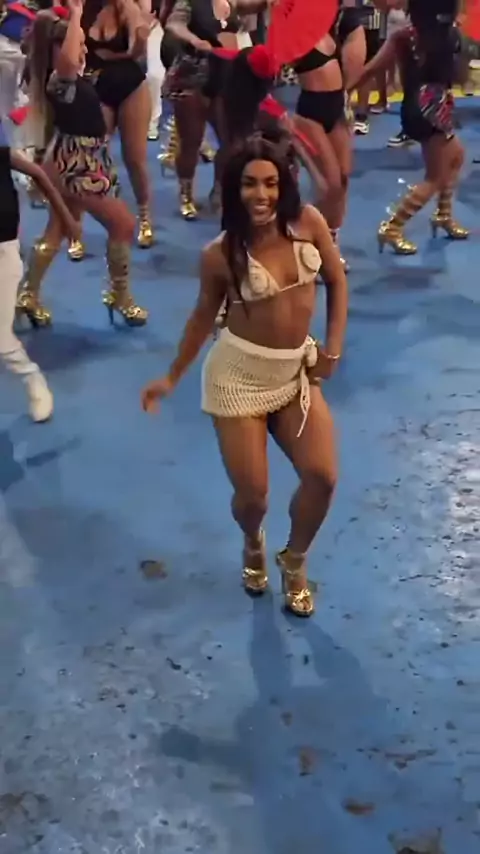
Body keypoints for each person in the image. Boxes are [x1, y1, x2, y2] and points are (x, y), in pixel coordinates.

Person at [141, 135, 348, 617]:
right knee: (253, 498)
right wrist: (171, 377)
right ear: (233, 189)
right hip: (238, 380)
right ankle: (253, 540)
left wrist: (333, 350)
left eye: (271, 183)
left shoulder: (309, 222)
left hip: (294, 374)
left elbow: (337, 281)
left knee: (322, 477)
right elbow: (201, 318)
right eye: (250, 183)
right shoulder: (219, 254)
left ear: (284, 185)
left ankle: (293, 560)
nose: (262, 194)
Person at [18, 1, 148, 328]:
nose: (84, 50)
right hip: (77, 164)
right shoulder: (59, 82)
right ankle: (119, 295)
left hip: (75, 159)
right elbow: (66, 63)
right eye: (77, 45)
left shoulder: (69, 80)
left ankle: (28, 294)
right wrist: (76, 15)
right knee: (123, 225)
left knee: (56, 230)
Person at [350, 0, 468, 254]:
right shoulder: (442, 34)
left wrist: (345, 91)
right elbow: (460, 76)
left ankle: (443, 215)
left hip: (425, 104)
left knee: (457, 156)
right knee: (435, 177)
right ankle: (392, 227)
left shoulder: (406, 35)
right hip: (430, 106)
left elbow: (372, 68)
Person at [0, 130, 79, 421]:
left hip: (3, 252)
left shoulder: (4, 154)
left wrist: (67, 218)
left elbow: (39, 175)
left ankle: (32, 377)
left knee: (2, 341)